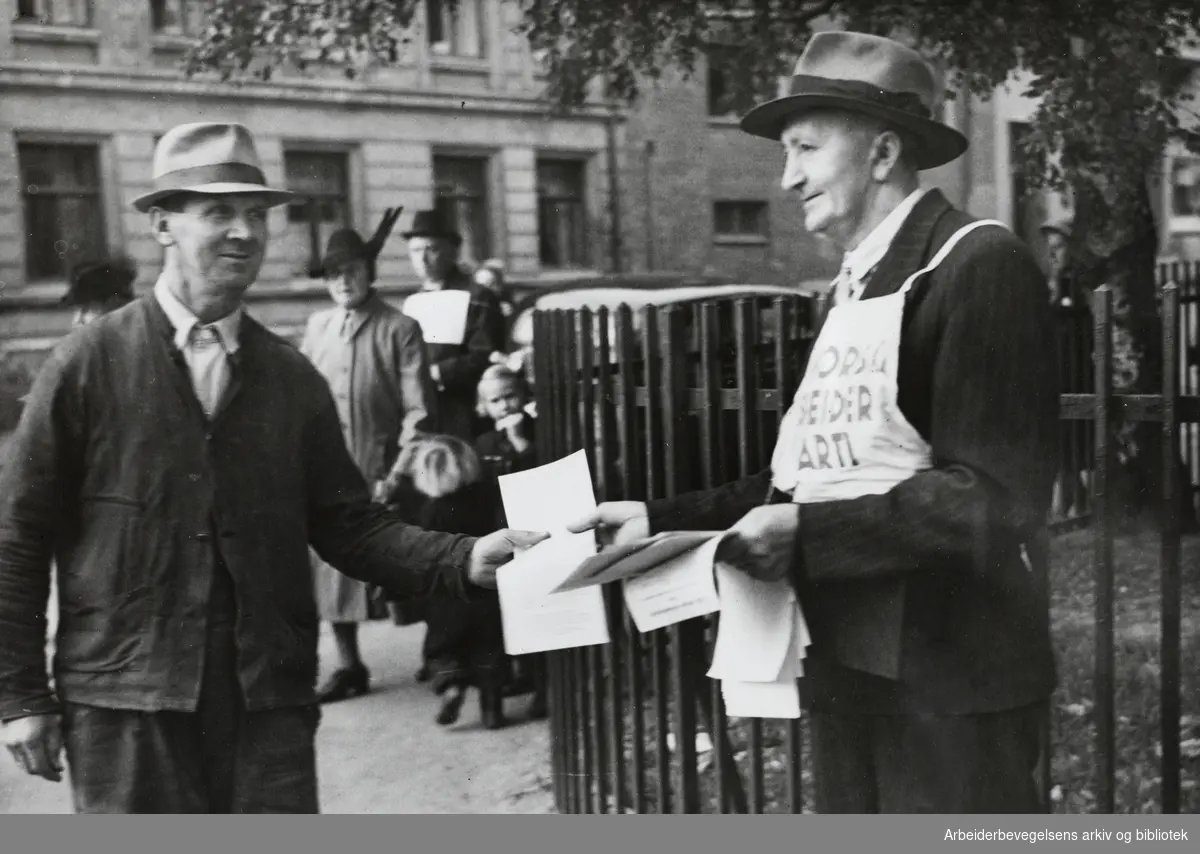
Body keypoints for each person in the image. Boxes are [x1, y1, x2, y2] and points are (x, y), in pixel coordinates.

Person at [570, 32, 1060, 814]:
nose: (787, 177)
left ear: (882, 152)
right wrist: (660, 520)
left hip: (952, 682)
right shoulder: (852, 290)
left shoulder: (977, 263)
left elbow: (994, 497)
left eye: (804, 147)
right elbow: (805, 477)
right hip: (852, 661)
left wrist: (808, 537)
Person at [0, 121, 545, 814]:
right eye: (219, 211)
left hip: (265, 703)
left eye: (256, 214)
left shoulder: (289, 377)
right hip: (126, 702)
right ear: (163, 222)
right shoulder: (86, 365)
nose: (243, 232)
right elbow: (17, 536)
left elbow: (349, 525)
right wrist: (20, 694)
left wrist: (461, 558)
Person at [301, 213, 439, 704]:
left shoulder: (400, 328)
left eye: (352, 270)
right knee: (329, 573)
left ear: (369, 271)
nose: (343, 281)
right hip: (326, 471)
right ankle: (349, 664)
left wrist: (397, 472)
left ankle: (437, 653)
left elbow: (419, 411)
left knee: (404, 565)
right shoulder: (317, 327)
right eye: (334, 274)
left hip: (381, 467)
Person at [389, 436, 510, 730]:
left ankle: (452, 684)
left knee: (444, 648)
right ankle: (492, 709)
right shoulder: (487, 496)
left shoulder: (431, 510)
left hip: (446, 595)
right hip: (486, 591)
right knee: (490, 650)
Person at [402, 210, 506, 440]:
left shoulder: (477, 297)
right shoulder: (413, 301)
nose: (423, 259)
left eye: (432, 249)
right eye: (416, 251)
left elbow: (485, 354)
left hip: (464, 410)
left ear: (453, 251)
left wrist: (437, 373)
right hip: (424, 410)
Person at [474, 364, 537, 476]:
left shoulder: (539, 429)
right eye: (495, 401)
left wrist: (517, 438)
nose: (504, 406)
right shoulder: (483, 442)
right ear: (484, 406)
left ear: (523, 394)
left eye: (510, 396)